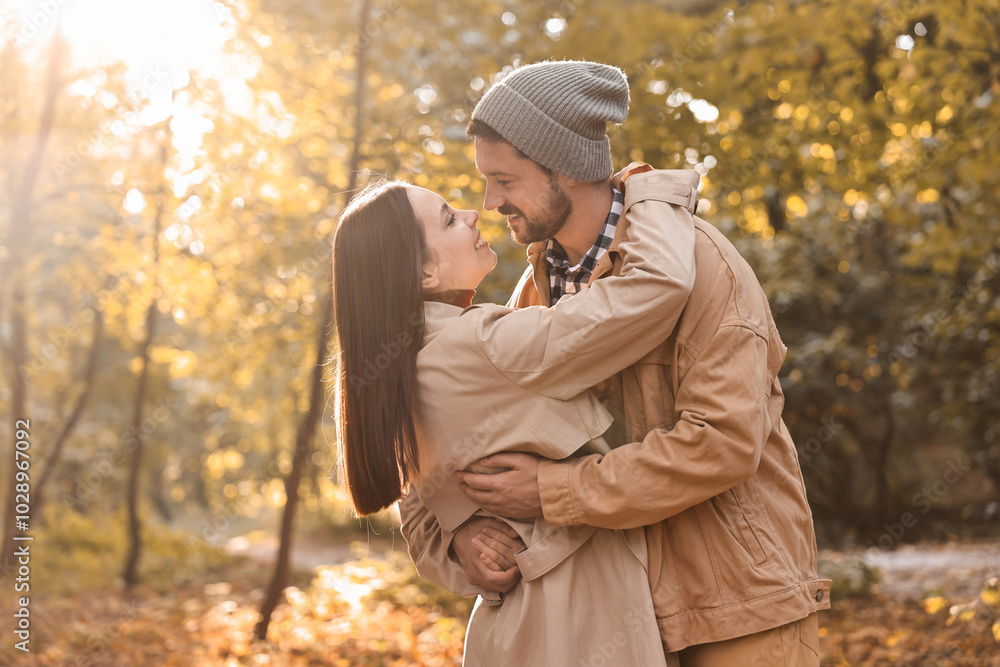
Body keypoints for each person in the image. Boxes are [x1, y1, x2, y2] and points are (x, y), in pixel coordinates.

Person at [400, 60, 832, 666]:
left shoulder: (705, 265)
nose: (490, 202)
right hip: (612, 622)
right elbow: (436, 443)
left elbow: (724, 443)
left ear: (565, 170)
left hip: (734, 608)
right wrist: (460, 536)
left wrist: (553, 490)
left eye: (504, 180)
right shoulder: (532, 293)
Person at [332, 161, 700, 663]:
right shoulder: (479, 343)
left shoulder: (405, 364)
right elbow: (653, 290)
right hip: (577, 621)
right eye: (447, 219)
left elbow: (418, 489)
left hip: (517, 624)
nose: (473, 213)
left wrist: (459, 532)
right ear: (424, 273)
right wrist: (652, 191)